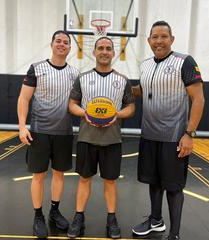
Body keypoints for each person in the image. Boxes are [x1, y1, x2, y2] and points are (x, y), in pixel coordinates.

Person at [131, 21, 205, 240]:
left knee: (173, 187)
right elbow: (141, 91)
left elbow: (198, 99)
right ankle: (156, 221)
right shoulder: (144, 65)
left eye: (164, 36)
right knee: (154, 181)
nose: (159, 41)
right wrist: (115, 86)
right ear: (149, 40)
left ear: (172, 39)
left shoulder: (185, 62)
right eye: (155, 37)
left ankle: (174, 234)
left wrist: (189, 134)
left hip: (174, 137)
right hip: (149, 134)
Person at [67, 37, 135, 239]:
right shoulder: (83, 77)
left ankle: (111, 218)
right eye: (100, 48)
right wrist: (85, 113)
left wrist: (116, 115)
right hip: (87, 137)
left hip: (112, 139)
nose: (104, 52)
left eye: (108, 49)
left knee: (110, 181)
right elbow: (72, 104)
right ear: (94, 52)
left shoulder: (123, 80)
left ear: (113, 53)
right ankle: (78, 217)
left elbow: (131, 107)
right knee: (84, 179)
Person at [17, 30, 79, 238]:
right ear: (51, 44)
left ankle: (54, 211)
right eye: (58, 41)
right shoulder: (37, 68)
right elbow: (24, 98)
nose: (62, 45)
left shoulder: (74, 73)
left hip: (63, 132)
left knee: (59, 174)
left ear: (70, 48)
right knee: (39, 175)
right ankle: (38, 216)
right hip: (39, 131)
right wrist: (22, 126)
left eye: (66, 42)